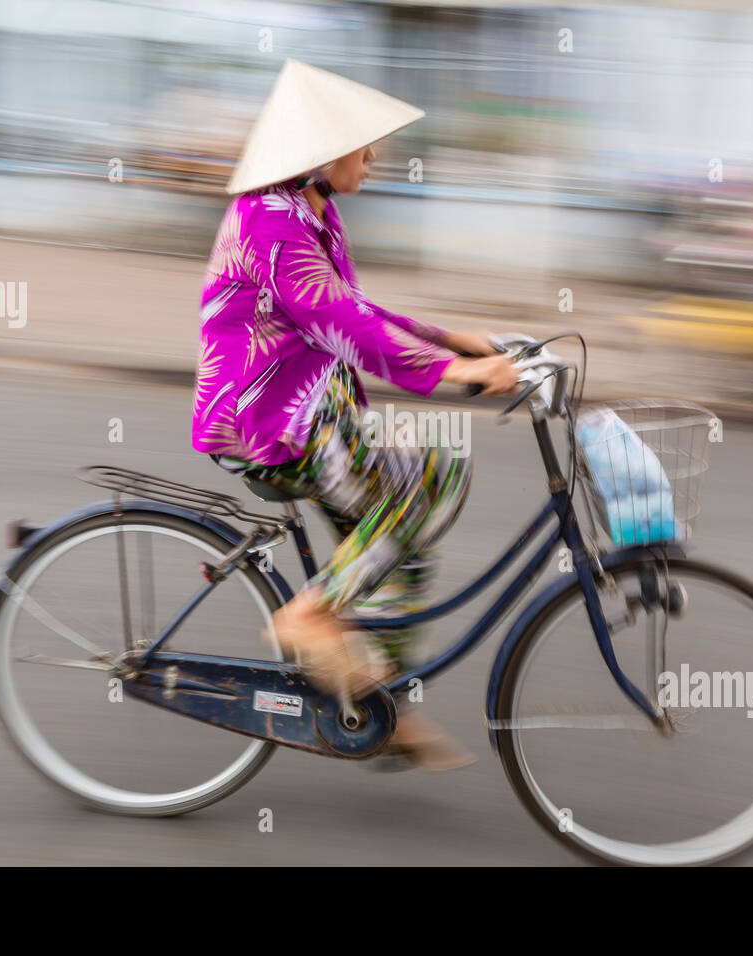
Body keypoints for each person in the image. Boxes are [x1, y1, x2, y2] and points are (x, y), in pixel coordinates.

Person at [192, 60, 516, 770]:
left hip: (313, 409)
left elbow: (356, 308)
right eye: (362, 144)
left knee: (413, 517)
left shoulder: (311, 211)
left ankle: (378, 698)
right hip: (270, 421)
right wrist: (453, 372)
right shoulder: (271, 223)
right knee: (428, 475)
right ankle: (308, 619)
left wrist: (449, 337)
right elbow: (344, 324)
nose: (373, 157)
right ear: (319, 154)